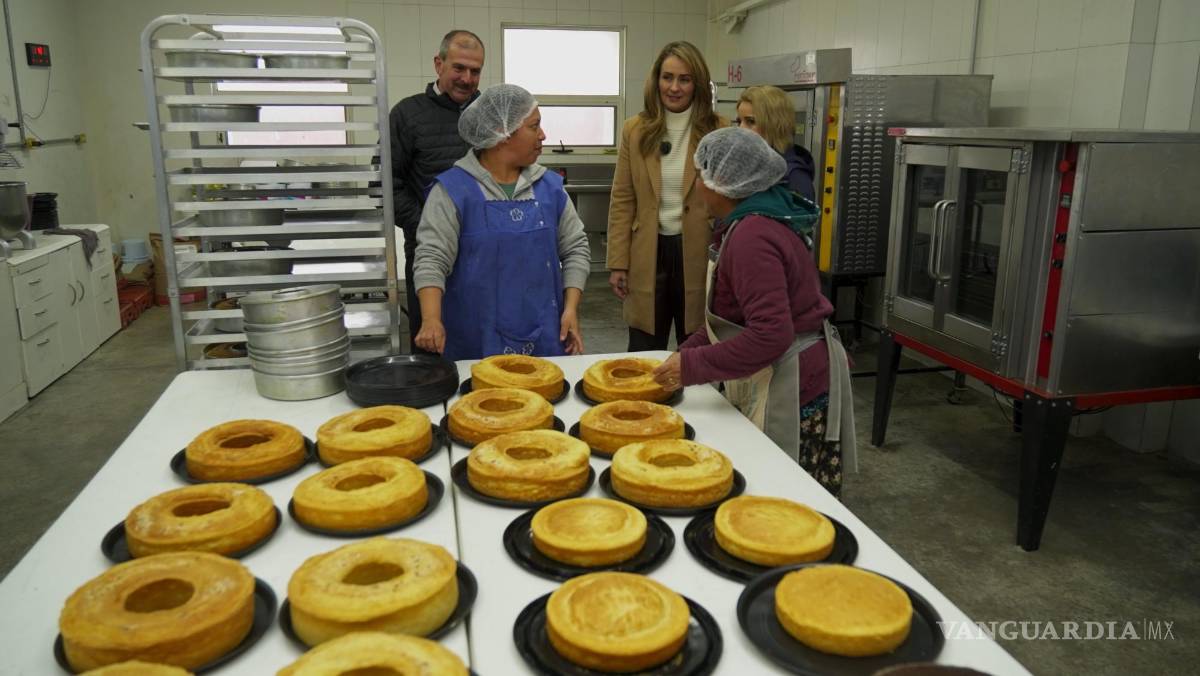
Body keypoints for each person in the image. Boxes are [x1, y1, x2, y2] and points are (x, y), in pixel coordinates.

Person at [651, 127, 856, 497]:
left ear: (721, 183)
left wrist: (693, 367)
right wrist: (688, 351)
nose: (696, 182)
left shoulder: (752, 236)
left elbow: (770, 335)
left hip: (794, 384)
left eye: (700, 173)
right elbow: (733, 319)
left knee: (788, 504)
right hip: (786, 367)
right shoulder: (752, 220)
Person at [412, 84, 590, 361]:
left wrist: (571, 309)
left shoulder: (550, 188)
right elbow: (432, 257)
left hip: (544, 336)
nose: (543, 135)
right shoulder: (453, 190)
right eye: (534, 126)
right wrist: (431, 319)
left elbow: (576, 248)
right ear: (502, 134)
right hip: (475, 341)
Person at [607, 41, 726, 351]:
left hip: (699, 251)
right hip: (649, 252)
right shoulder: (635, 130)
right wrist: (618, 262)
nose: (674, 87)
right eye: (667, 77)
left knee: (698, 346)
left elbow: (730, 199)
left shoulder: (718, 131)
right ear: (656, 79)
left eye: (684, 79)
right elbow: (623, 198)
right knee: (644, 350)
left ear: (697, 83)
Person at [389, 30, 485, 353]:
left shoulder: (490, 116)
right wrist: (425, 225)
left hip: (484, 255)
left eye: (475, 71)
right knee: (432, 346)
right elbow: (387, 183)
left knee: (483, 342)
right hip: (428, 254)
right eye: (459, 68)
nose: (467, 78)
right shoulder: (407, 115)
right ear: (438, 64)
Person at [734, 85, 816, 203]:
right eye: (739, 121)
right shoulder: (747, 167)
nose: (741, 128)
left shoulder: (794, 179)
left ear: (775, 125)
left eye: (751, 121)